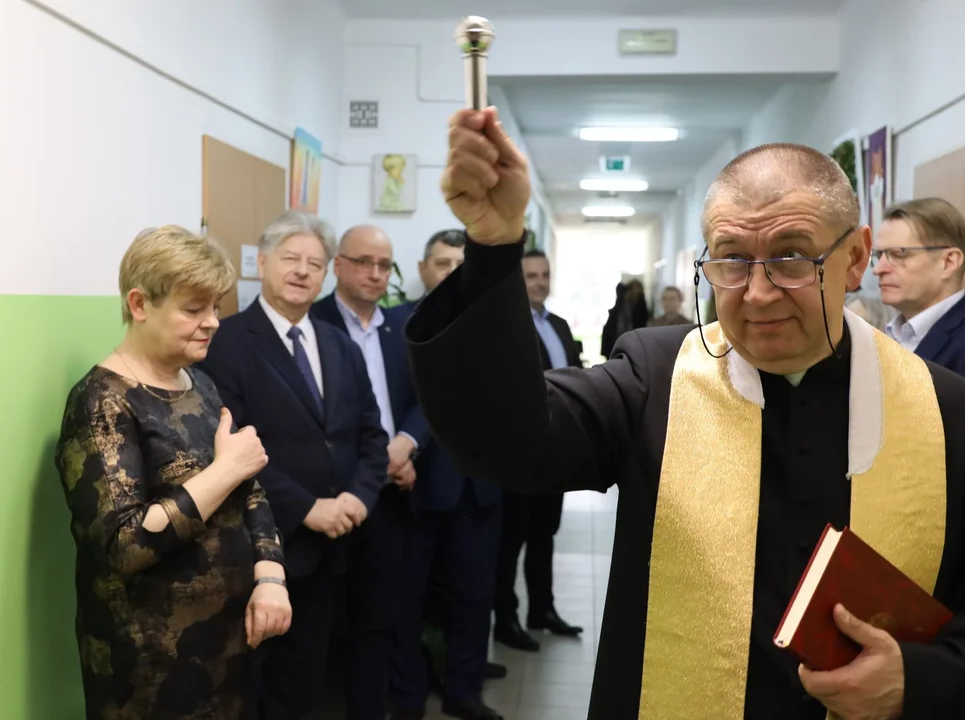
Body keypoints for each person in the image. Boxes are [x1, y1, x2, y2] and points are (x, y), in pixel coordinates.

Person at [406, 107, 965, 719]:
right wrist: (493, 244)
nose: (756, 292)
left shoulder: (942, 410)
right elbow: (510, 440)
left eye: (791, 257)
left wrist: (918, 678)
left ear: (855, 258)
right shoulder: (657, 378)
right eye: (730, 259)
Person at [55, 225, 291, 720]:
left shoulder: (199, 384)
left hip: (227, 642)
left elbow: (249, 488)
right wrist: (224, 471)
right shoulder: (103, 403)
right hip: (149, 663)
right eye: (193, 309)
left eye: (216, 307)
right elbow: (126, 544)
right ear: (140, 305)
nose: (212, 322)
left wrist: (271, 576)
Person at [196, 210, 389, 720]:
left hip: (333, 547)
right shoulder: (227, 343)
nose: (303, 271)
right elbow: (230, 447)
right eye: (290, 259)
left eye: (315, 263)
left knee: (305, 682)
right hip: (263, 544)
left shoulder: (340, 346)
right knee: (252, 683)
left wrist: (356, 498)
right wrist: (306, 508)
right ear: (261, 263)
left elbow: (371, 436)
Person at [309, 224, 426, 719]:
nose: (376, 274)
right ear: (337, 265)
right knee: (314, 626)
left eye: (385, 265)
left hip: (390, 498)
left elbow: (428, 400)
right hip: (326, 501)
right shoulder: (310, 324)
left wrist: (406, 443)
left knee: (378, 621)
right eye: (364, 263)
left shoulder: (401, 328)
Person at [388, 229, 505, 720]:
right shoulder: (394, 324)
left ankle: (464, 688)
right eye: (442, 263)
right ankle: (409, 693)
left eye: (462, 263)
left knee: (475, 596)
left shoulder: (495, 325)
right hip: (412, 484)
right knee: (406, 600)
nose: (452, 272)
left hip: (480, 485)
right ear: (422, 269)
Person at [494, 249, 584, 652]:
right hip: (518, 452)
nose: (540, 282)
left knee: (545, 533)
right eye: (531, 276)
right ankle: (507, 619)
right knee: (511, 539)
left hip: (557, 448)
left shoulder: (560, 325)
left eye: (545, 274)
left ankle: (542, 610)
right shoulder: (506, 326)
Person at [873, 197, 965, 375]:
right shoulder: (887, 335)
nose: (878, 269)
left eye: (899, 254)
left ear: (949, 262)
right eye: (879, 255)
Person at [600, 280, 648, 359]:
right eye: (633, 289)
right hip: (616, 341)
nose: (635, 292)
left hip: (633, 343)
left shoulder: (640, 307)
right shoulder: (622, 303)